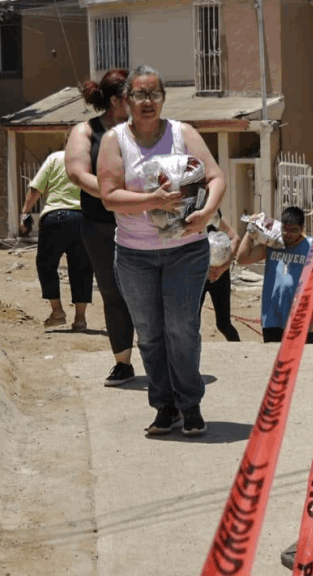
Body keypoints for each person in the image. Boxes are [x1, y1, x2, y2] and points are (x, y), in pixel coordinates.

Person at [97, 64, 226, 437]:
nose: (147, 101)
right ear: (126, 101)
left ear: (164, 98)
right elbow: (108, 197)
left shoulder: (183, 134)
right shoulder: (115, 140)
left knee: (181, 330)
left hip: (186, 249)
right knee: (150, 333)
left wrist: (206, 213)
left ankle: (190, 404)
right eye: (139, 94)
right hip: (135, 254)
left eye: (154, 94)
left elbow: (215, 177)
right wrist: (150, 199)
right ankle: (164, 407)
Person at [65, 69, 137, 387]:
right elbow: (77, 174)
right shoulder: (86, 131)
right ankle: (123, 362)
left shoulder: (145, 131)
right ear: (115, 100)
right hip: (100, 226)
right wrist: (113, 194)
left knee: (152, 292)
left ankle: (165, 359)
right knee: (113, 293)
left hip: (142, 223)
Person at [20, 147, 93, 331]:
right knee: (82, 268)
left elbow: (36, 188)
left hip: (55, 217)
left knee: (46, 264)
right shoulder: (93, 160)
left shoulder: (56, 157)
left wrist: (25, 212)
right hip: (84, 219)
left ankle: (58, 312)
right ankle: (80, 320)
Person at [235, 206, 313, 345]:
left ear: (302, 228)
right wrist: (251, 230)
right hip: (272, 316)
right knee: (274, 362)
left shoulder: (311, 246)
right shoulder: (272, 244)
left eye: (294, 230)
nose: (288, 234)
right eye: (285, 229)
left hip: (301, 317)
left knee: (303, 362)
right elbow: (242, 259)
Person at [201, 213, 241, 342]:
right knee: (191, 323)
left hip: (219, 276)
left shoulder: (213, 215)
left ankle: (240, 353)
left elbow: (235, 238)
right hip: (197, 276)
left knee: (223, 324)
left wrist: (223, 267)